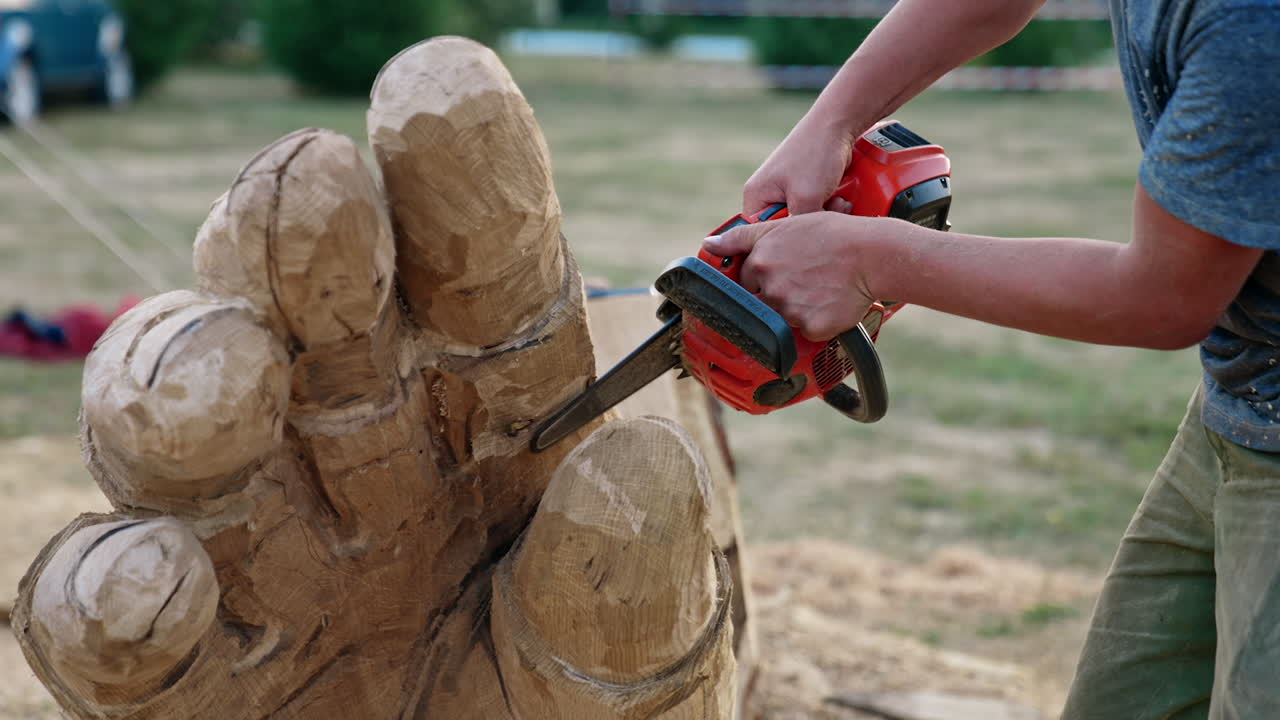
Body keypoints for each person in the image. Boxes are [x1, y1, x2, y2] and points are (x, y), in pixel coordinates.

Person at [703, 0, 1280, 716]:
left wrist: (870, 263)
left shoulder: (1252, 23)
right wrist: (832, 122)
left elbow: (1162, 297)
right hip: (1242, 396)